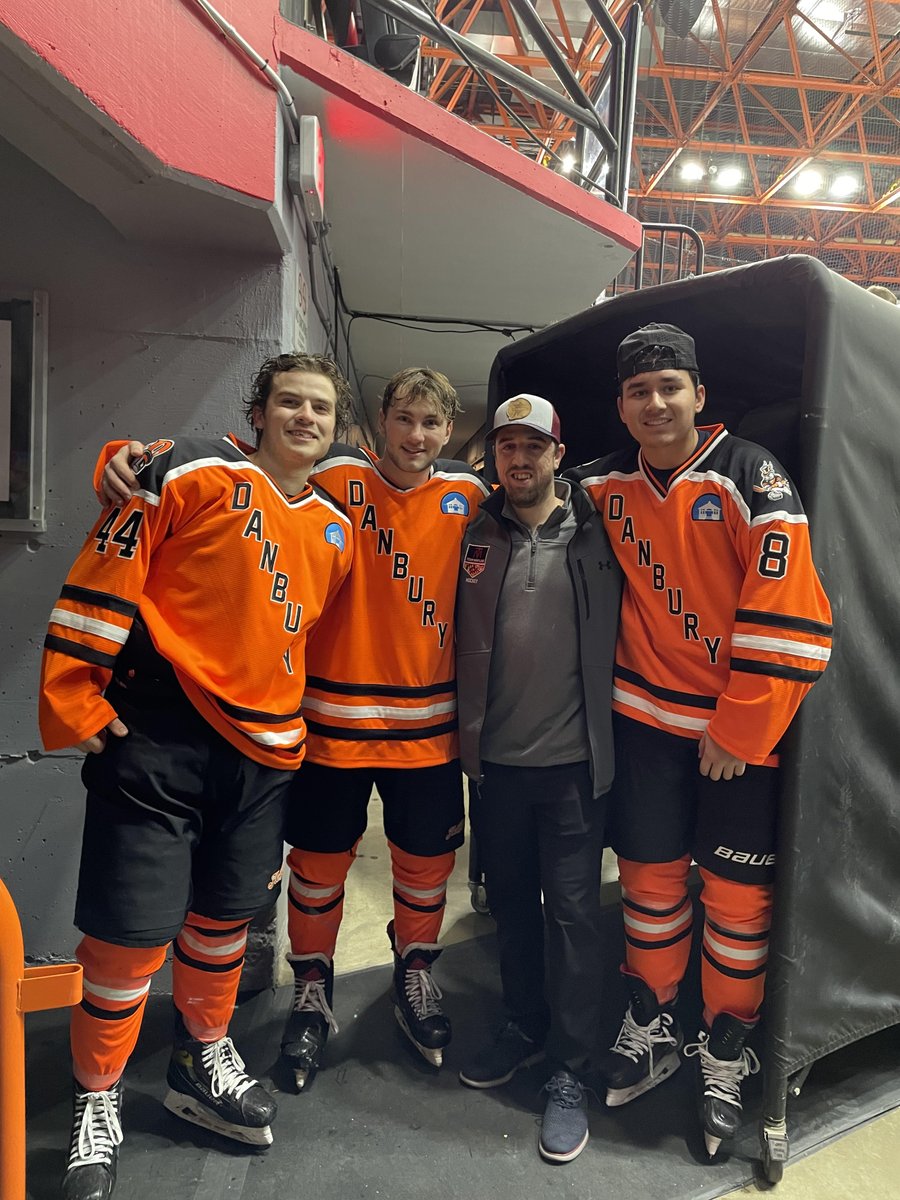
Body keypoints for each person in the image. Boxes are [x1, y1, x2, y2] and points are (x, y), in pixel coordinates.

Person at [97, 367, 490, 1085]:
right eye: (404, 419)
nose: (416, 436)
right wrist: (126, 456)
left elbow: (537, 516)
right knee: (316, 871)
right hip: (327, 722)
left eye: (432, 423)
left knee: (426, 871)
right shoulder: (335, 473)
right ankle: (313, 987)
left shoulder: (471, 494)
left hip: (430, 727)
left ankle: (416, 971)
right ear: (377, 421)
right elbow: (234, 463)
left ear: (449, 429)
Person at [40, 353, 353, 1200]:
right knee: (127, 939)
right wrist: (76, 701)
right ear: (257, 411)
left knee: (222, 926)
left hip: (264, 758)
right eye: (289, 402)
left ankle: (199, 1056)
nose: (305, 418)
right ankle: (96, 1096)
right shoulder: (185, 469)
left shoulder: (337, 529)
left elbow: (309, 647)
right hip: (162, 739)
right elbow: (102, 578)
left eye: (320, 408)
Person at [568, 324, 833, 1157]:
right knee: (648, 883)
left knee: (736, 902)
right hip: (645, 726)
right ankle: (649, 1015)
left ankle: (726, 1041)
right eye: (640, 392)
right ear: (621, 404)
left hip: (734, 740)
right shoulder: (603, 482)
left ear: (698, 395)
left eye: (670, 388)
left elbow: (793, 612)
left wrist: (741, 726)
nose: (656, 403)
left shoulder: (751, 472)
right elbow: (508, 490)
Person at [455, 394, 621, 1164]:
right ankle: (523, 1027)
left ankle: (570, 1068)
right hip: (497, 771)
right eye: (505, 448)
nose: (517, 460)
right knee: (512, 911)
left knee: (575, 921)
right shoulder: (471, 530)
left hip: (573, 773)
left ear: (560, 454)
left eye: (533, 447)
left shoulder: (600, 530)